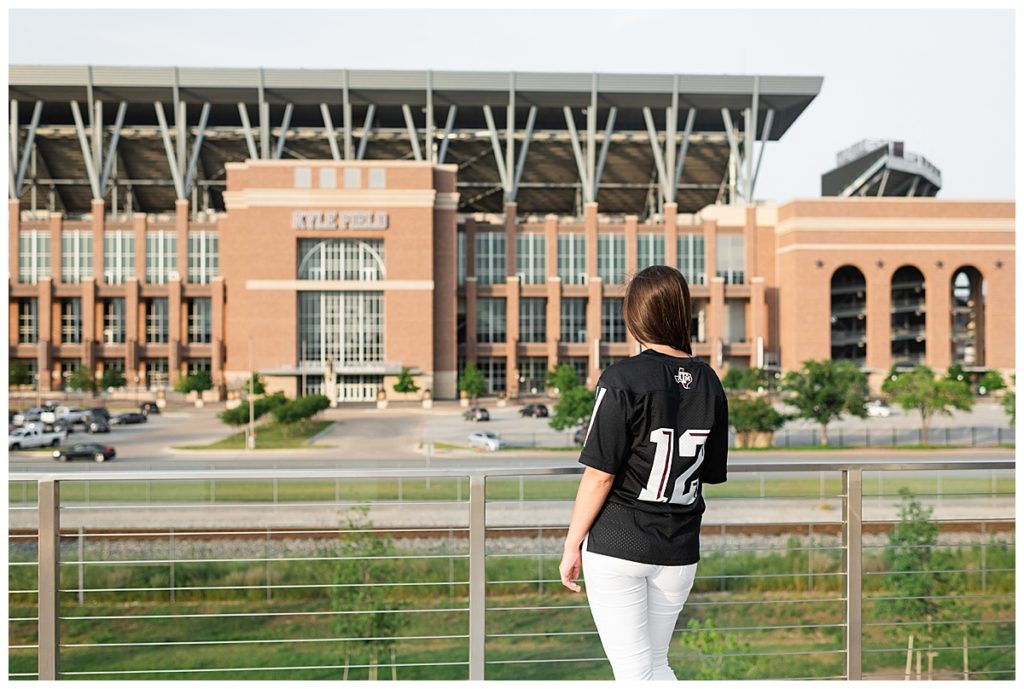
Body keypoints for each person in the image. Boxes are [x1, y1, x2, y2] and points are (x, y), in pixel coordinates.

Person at [558, 265, 730, 681]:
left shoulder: (622, 379)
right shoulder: (710, 381)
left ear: (636, 317)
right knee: (654, 667)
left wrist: (570, 544)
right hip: (679, 550)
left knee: (636, 675)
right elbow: (707, 470)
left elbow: (599, 474)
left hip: (620, 544)